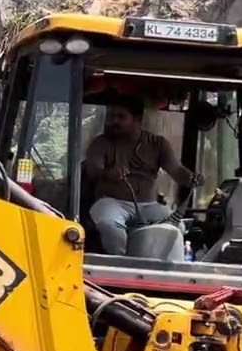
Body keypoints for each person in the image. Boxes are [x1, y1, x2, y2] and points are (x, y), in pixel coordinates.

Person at [84, 95, 200, 255]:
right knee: (108, 223)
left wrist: (191, 178)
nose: (114, 121)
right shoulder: (102, 143)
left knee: (177, 228)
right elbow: (92, 170)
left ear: (137, 119)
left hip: (148, 206)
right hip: (112, 202)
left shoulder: (157, 144)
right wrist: (108, 174)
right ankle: (119, 264)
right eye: (112, 117)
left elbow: (176, 170)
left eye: (121, 117)